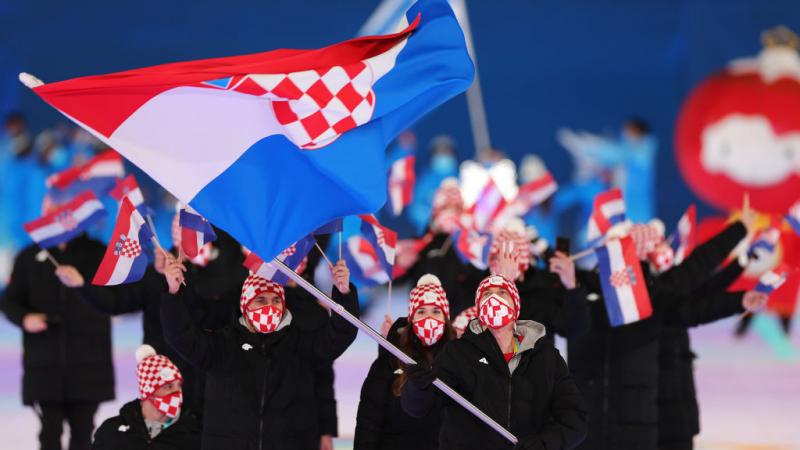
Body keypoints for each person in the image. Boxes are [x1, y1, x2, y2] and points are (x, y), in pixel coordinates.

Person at [568, 216, 762, 450]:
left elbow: (698, 298)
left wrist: (739, 298)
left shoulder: (653, 296)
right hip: (598, 431)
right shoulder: (578, 296)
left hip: (655, 421)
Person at [160, 258, 359, 449]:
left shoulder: (299, 344)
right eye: (260, 300)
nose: (269, 307)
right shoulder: (222, 345)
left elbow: (340, 336)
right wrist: (173, 293)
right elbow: (180, 336)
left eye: (275, 300)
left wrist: (344, 294)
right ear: (245, 306)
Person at [401, 274, 588, 450]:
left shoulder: (546, 356)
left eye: (502, 293)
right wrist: (418, 388)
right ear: (478, 308)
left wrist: (543, 445)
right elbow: (420, 408)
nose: (494, 299)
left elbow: (574, 420)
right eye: (487, 294)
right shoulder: (457, 352)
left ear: (515, 307)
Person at [0, 234, 110, 450]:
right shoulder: (29, 255)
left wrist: (84, 286)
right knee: (49, 432)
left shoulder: (98, 252)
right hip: (44, 364)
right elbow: (9, 301)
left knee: (83, 432)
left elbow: (118, 294)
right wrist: (25, 318)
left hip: (89, 364)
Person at [354, 274, 454, 450]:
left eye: (436, 311)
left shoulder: (459, 361)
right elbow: (369, 420)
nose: (428, 318)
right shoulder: (389, 360)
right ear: (411, 319)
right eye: (421, 311)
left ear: (446, 318)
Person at [92, 345, 201, 449]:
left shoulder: (194, 434)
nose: (177, 392)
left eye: (179, 385)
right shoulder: (112, 432)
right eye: (169, 386)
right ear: (148, 392)